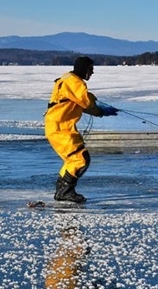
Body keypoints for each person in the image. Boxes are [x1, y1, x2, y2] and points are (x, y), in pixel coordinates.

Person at [45, 56, 118, 204]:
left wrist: (99, 110)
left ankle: (62, 191)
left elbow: (82, 103)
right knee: (81, 159)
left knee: (74, 159)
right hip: (60, 128)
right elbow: (86, 102)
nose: (92, 73)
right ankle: (65, 192)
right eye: (90, 69)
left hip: (61, 127)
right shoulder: (74, 83)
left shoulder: (70, 80)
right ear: (83, 69)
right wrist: (100, 110)